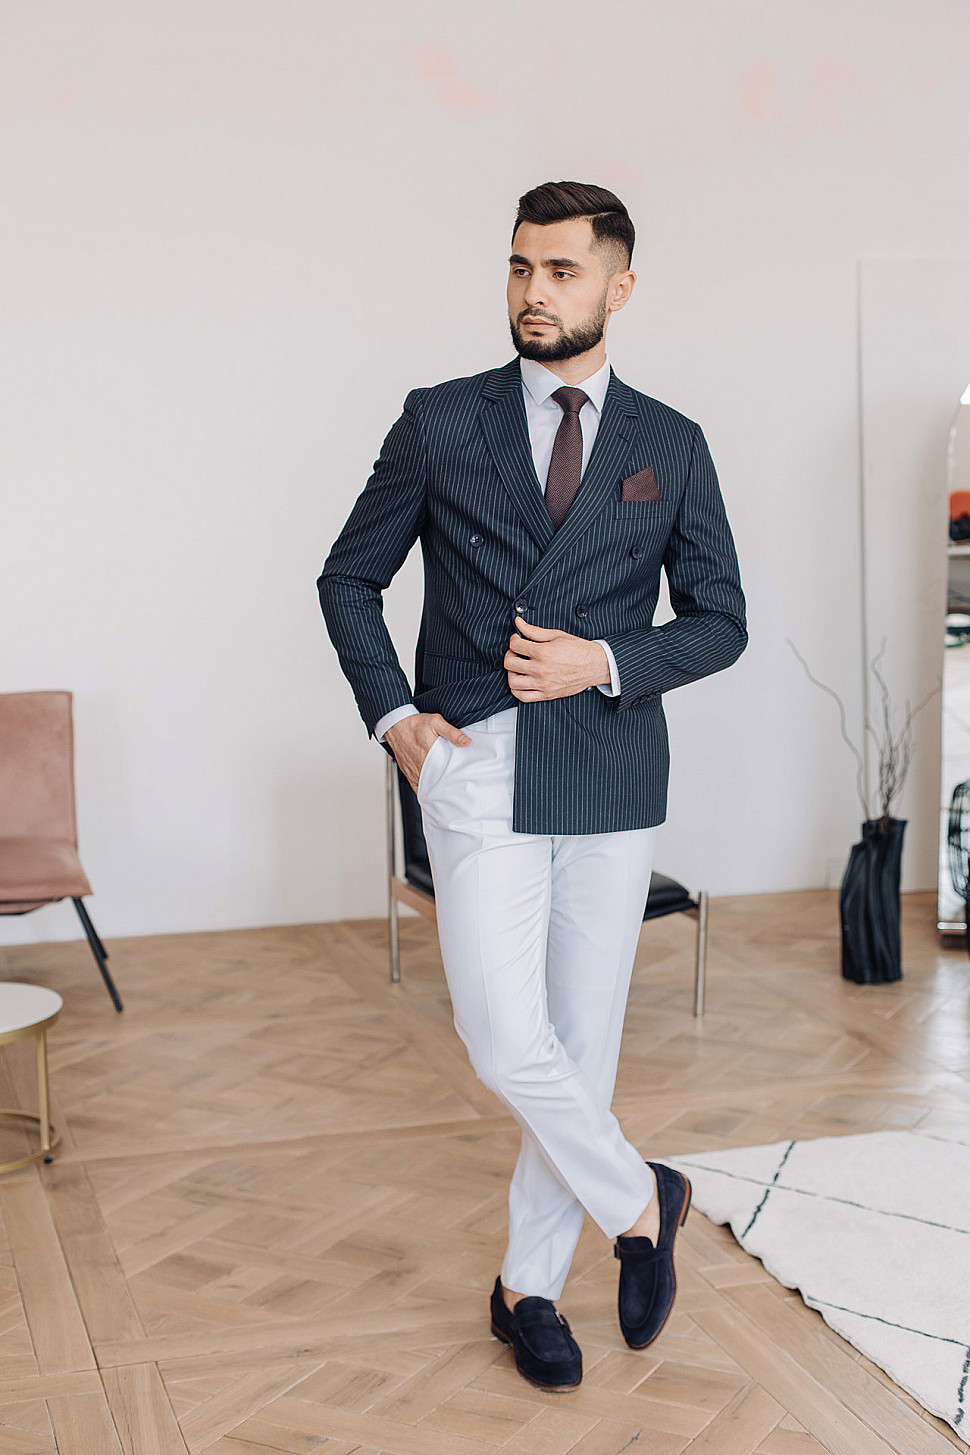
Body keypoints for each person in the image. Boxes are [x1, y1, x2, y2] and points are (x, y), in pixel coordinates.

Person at [318, 180, 747, 1391]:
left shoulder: (668, 442)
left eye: (561, 270)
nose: (533, 291)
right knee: (505, 1034)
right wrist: (396, 719)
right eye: (520, 267)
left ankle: (528, 1289)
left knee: (580, 1046)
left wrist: (603, 659)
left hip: (609, 765)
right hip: (477, 763)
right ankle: (640, 1200)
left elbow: (719, 621)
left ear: (619, 285)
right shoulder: (439, 421)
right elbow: (348, 579)